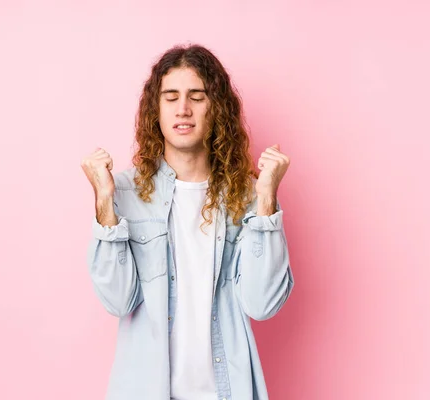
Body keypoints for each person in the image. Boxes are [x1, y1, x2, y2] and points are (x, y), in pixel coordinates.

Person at [81, 44, 294, 400]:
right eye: (171, 97)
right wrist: (104, 199)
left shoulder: (249, 196)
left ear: (217, 108)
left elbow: (262, 303)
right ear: (156, 109)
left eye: (197, 96)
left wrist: (267, 198)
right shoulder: (124, 193)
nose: (183, 109)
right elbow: (117, 301)